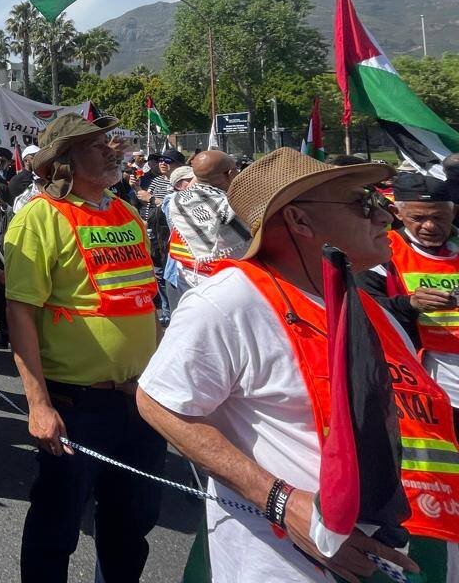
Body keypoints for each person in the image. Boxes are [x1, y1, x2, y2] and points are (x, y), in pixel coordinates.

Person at [137, 149, 436, 583]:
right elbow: (159, 403)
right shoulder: (228, 302)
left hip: (400, 549)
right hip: (282, 565)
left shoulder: (370, 306)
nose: (383, 216)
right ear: (299, 221)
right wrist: (282, 502)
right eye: (361, 202)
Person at [3, 113, 163, 583]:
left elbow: (145, 298)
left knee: (130, 526)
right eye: (95, 146)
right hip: (77, 404)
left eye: (107, 142)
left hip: (139, 403)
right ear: (63, 164)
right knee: (56, 528)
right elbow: (20, 314)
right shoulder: (38, 218)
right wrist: (38, 404)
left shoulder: (126, 212)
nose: (111, 149)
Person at [360, 172, 459, 419]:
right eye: (418, 218)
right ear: (397, 213)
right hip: (426, 384)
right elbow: (363, 310)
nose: (430, 226)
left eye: (439, 217)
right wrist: (410, 304)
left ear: (454, 212)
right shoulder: (380, 252)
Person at [161, 149, 247, 312]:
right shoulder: (237, 207)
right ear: (231, 173)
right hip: (233, 290)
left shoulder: (177, 202)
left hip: (190, 284)